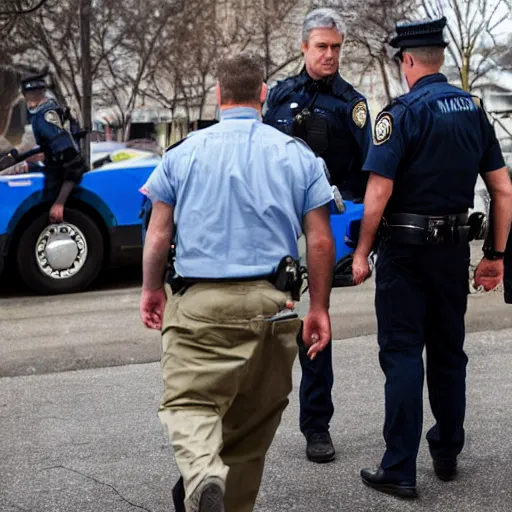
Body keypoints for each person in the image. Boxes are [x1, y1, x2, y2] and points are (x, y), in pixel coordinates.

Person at [139, 53, 335, 512]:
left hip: (201, 304)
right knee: (248, 437)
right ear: (263, 95)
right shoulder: (296, 154)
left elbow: (158, 234)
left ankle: (205, 475)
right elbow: (320, 240)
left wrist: (151, 289)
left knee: (189, 403)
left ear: (219, 96)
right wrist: (319, 309)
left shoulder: (183, 153)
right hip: (274, 307)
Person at [351, 17, 512, 498]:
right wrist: (495, 256)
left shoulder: (400, 113)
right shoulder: (473, 109)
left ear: (407, 60)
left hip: (404, 255)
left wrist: (361, 252)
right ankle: (446, 452)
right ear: (440, 57)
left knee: (402, 354)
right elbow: (502, 190)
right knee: (448, 354)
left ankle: (399, 467)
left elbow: (378, 193)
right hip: (452, 252)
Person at [263, 6, 371, 464]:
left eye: (336, 48)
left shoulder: (353, 104)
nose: (330, 55)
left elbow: (373, 174)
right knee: (266, 316)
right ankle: (254, 416)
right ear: (304, 47)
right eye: (322, 47)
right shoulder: (280, 96)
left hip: (326, 223)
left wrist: (365, 241)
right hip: (276, 223)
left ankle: (316, 426)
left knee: (315, 321)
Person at [20, 67, 87, 223]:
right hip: (53, 173)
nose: (29, 101)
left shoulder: (45, 118)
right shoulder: (43, 113)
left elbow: (74, 162)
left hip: (59, 185)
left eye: (32, 95)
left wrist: (59, 203)